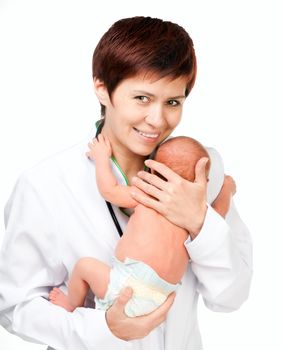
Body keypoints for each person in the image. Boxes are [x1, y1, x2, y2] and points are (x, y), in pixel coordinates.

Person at [0, 16, 252, 350]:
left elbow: (231, 296)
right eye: (142, 99)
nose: (158, 120)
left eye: (173, 102)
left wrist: (199, 222)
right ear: (102, 88)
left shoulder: (201, 169)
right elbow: (15, 308)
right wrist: (104, 329)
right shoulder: (44, 185)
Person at [48, 134, 236, 317]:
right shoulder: (197, 212)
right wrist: (226, 191)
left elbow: (109, 190)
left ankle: (71, 304)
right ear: (203, 181)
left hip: (126, 286)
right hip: (160, 298)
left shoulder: (147, 195)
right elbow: (218, 217)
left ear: (152, 172)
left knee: (84, 266)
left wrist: (102, 158)